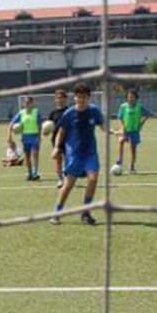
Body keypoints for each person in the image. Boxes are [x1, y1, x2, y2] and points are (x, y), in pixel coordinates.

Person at [51, 83, 108, 225]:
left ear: (88, 97)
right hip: (74, 154)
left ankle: (85, 212)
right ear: (75, 97)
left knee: (93, 179)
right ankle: (57, 212)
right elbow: (61, 132)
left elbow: (102, 126)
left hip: (90, 153)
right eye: (78, 97)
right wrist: (57, 147)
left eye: (84, 97)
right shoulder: (69, 113)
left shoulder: (94, 110)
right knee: (69, 184)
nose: (80, 99)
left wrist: (113, 132)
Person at [113, 88, 152, 174]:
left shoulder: (139, 106)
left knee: (132, 148)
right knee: (121, 141)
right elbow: (120, 117)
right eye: (129, 97)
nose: (131, 99)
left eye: (132, 97)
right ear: (126, 98)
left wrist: (141, 123)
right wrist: (122, 127)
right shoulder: (123, 106)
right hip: (125, 130)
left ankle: (132, 166)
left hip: (134, 131)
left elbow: (148, 114)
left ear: (136, 98)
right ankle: (119, 161)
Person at [9, 95, 41, 181]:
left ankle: (35, 173)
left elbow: (39, 125)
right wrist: (10, 135)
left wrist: (39, 136)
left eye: (29, 102)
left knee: (35, 155)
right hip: (25, 137)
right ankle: (29, 173)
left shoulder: (36, 112)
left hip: (35, 136)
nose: (27, 104)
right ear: (24, 103)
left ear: (32, 103)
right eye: (26, 102)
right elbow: (11, 123)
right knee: (27, 156)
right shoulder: (21, 113)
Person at [46, 89, 70, 188]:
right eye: (58, 98)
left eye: (62, 98)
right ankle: (60, 179)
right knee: (58, 160)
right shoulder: (53, 113)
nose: (60, 100)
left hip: (68, 139)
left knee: (68, 159)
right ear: (55, 100)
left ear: (65, 99)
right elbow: (49, 126)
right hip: (56, 139)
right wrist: (45, 130)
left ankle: (67, 176)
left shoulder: (69, 111)